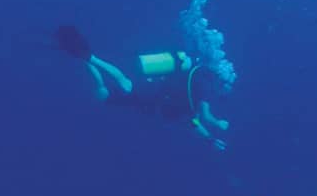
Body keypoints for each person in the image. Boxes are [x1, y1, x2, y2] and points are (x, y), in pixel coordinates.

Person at [54, 25, 231, 146]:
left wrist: (209, 138)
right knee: (123, 84)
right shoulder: (204, 87)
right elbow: (205, 118)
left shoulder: (197, 81)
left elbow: (194, 121)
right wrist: (218, 124)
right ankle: (89, 57)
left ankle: (84, 58)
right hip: (155, 93)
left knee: (106, 95)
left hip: (154, 90)